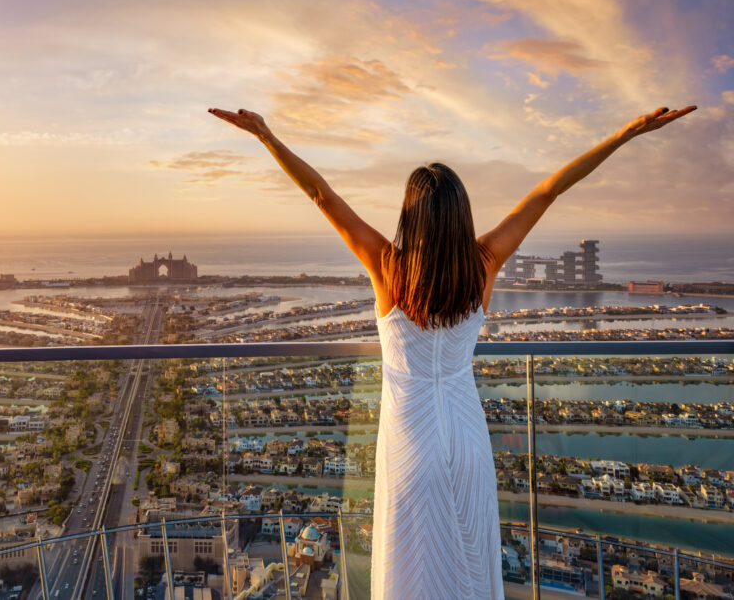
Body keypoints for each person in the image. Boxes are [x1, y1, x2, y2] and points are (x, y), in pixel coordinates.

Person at [207, 104, 695, 598]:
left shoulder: (388, 267)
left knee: (411, 569)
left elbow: (321, 195)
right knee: (466, 563)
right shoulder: (483, 263)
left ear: (409, 215)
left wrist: (267, 136)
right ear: (462, 214)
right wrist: (628, 132)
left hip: (409, 442)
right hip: (466, 438)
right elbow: (550, 190)